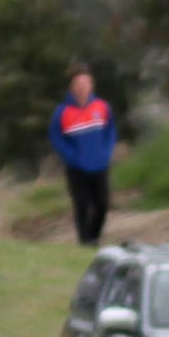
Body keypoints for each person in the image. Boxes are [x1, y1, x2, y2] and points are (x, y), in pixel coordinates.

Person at [49, 62, 116, 247]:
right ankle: (84, 242)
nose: (82, 88)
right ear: (72, 87)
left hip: (100, 165)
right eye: (78, 84)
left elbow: (110, 131)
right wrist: (73, 157)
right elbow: (56, 138)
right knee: (82, 206)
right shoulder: (62, 112)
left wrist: (106, 152)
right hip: (77, 169)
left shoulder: (102, 107)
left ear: (91, 84)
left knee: (102, 205)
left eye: (86, 83)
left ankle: (94, 237)